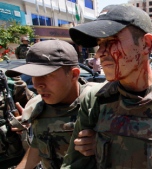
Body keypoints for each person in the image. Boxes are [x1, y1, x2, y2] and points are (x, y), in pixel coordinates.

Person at [62, 4, 152, 169]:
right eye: (100, 43)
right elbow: (73, 163)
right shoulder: (96, 98)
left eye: (111, 41)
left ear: (146, 44)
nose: (101, 52)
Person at [5, 40, 97, 169]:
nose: (37, 85)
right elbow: (35, 152)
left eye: (46, 75)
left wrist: (105, 143)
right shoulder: (38, 107)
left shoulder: (100, 103)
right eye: (33, 76)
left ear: (74, 74)